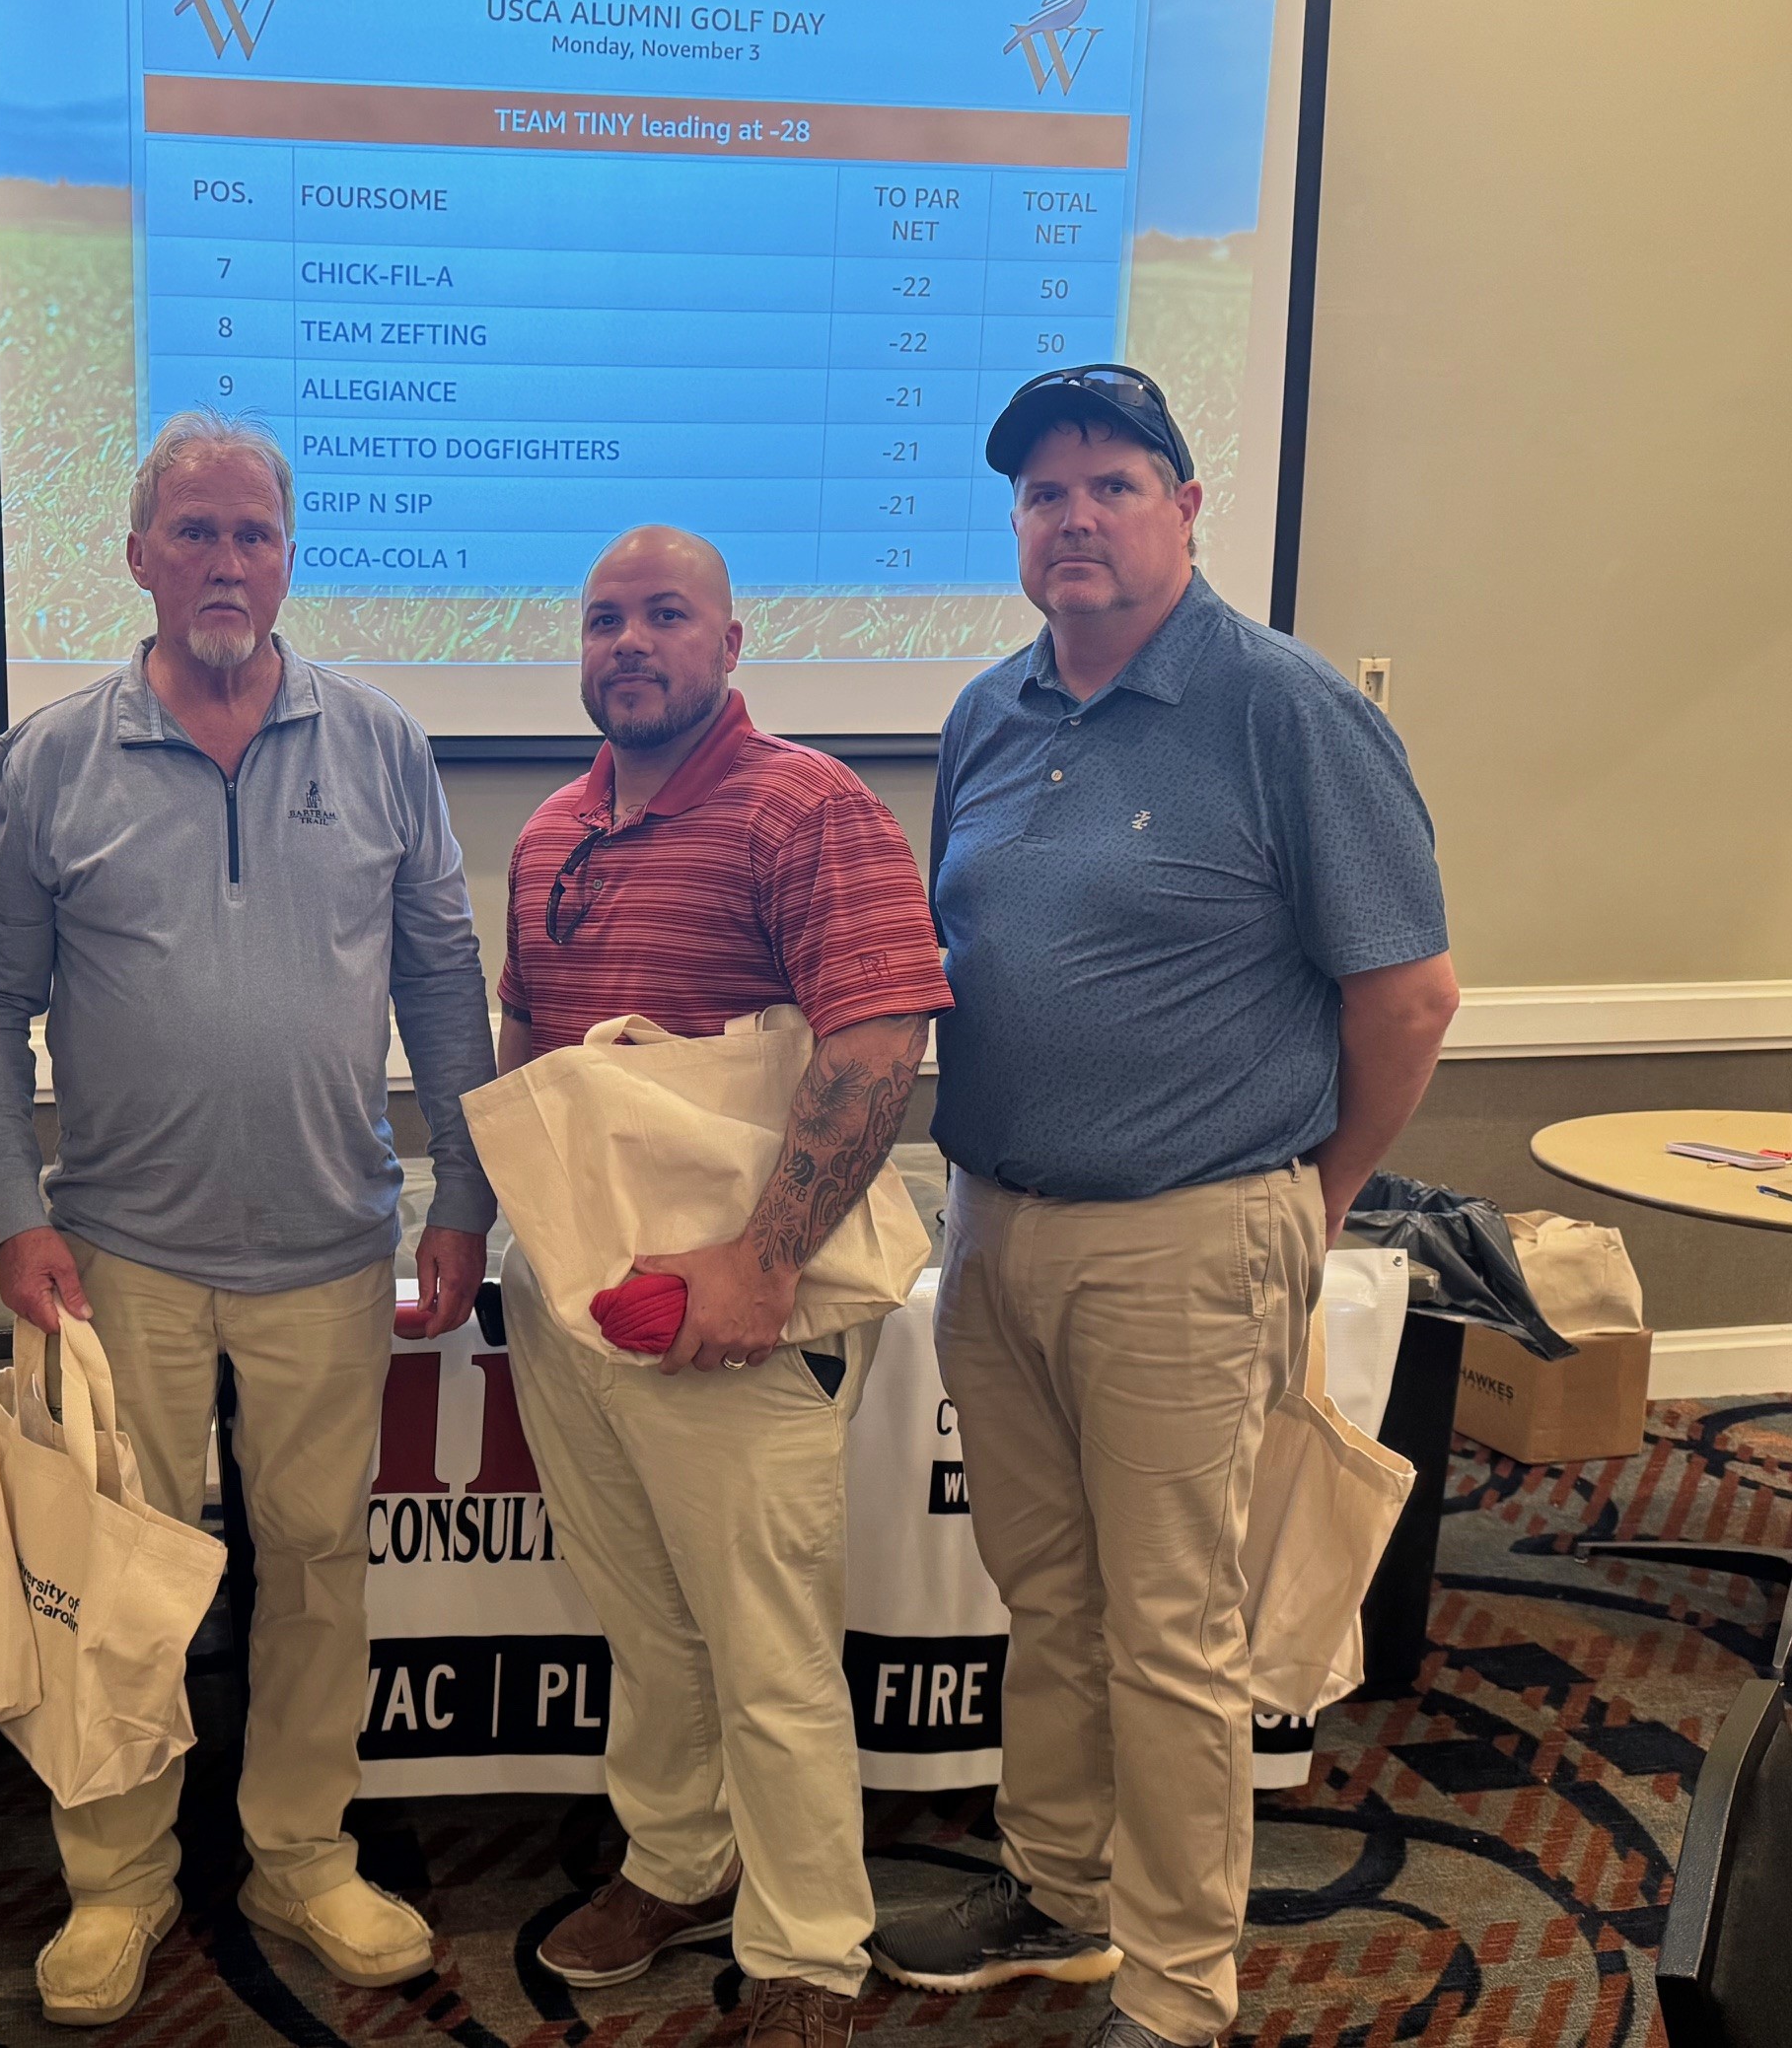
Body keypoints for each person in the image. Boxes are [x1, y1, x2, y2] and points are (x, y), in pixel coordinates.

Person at [872, 366, 1458, 2048]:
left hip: (1190, 1237)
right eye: (1043, 493)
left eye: (1113, 484)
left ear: (1188, 508)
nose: (1076, 518)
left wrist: (1310, 1197)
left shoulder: (1286, 709)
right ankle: (1060, 1892)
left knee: (1173, 1630)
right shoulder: (989, 712)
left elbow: (1409, 997)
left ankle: (1181, 1987)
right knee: (1049, 1597)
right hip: (996, 1225)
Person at [0, 410, 498, 2025]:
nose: (226, 561)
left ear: (290, 555)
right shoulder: (49, 760)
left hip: (332, 1245)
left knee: (318, 1562)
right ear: (135, 555)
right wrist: (8, 1211)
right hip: (116, 1252)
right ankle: (116, 1878)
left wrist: (464, 1192)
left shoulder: (380, 744)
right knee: (118, 1570)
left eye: (254, 532)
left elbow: (443, 984)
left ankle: (298, 1853)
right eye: (194, 531)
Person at [491, 526, 953, 2048]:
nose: (630, 641)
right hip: (580, 1303)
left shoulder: (807, 808)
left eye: (666, 615)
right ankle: (679, 1859)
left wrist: (764, 1261)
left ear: (732, 642)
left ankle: (813, 1945)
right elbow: (530, 1047)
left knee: (768, 1649)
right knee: (646, 1619)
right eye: (604, 618)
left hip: (748, 1314)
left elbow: (878, 1041)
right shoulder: (552, 830)